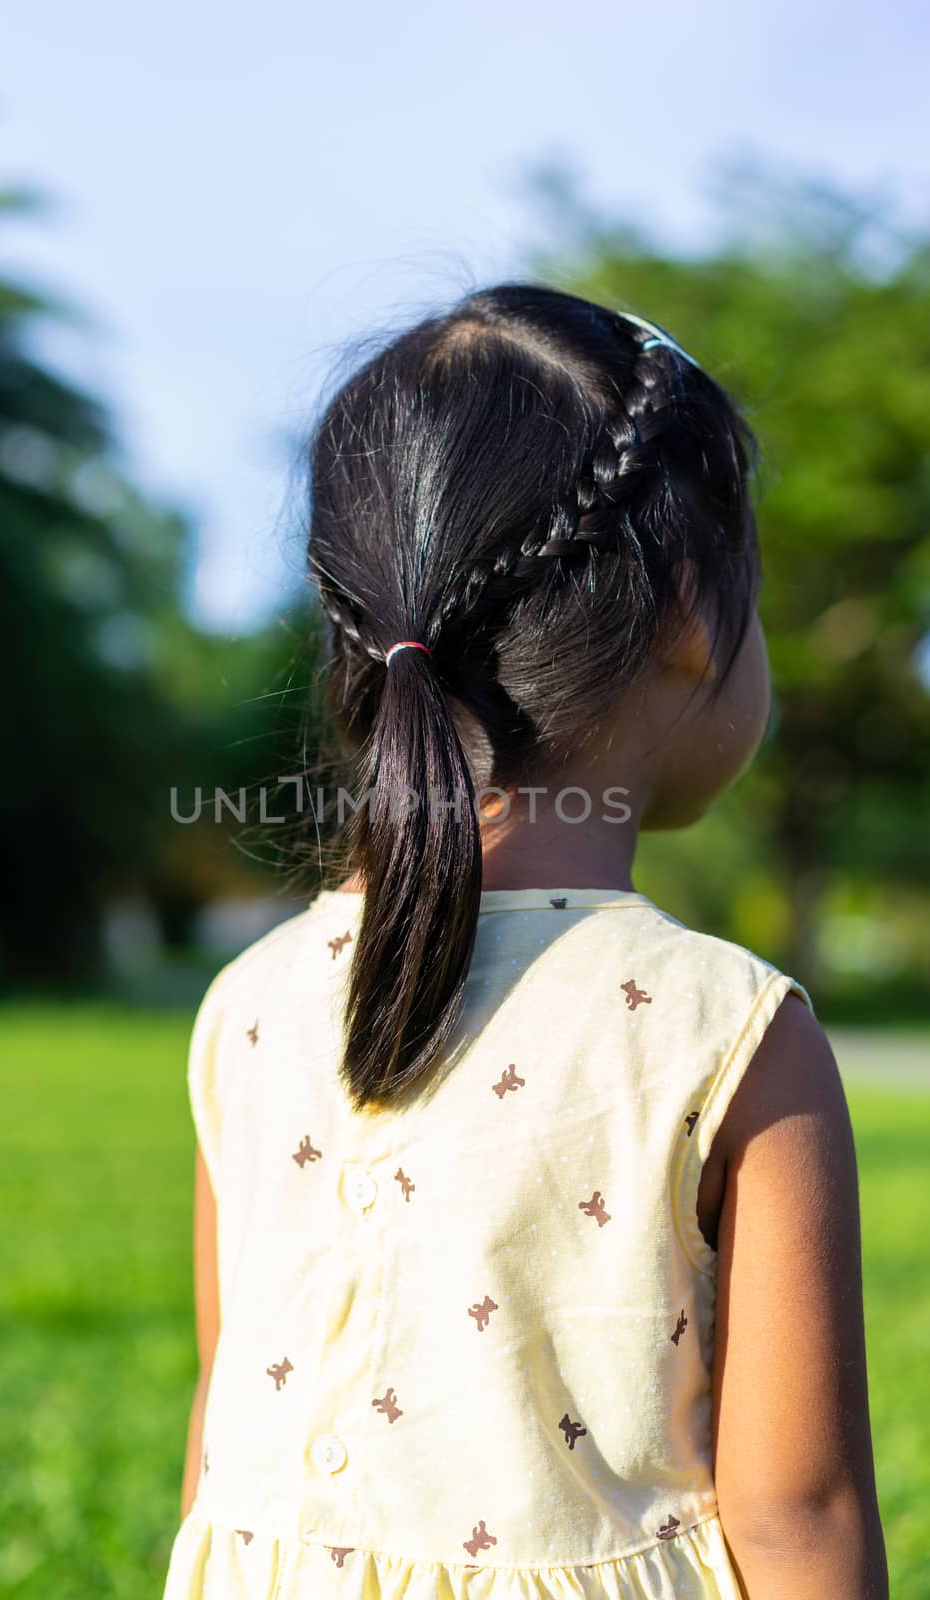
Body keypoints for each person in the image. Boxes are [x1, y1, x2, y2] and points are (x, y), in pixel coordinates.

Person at [160, 284, 887, 1599]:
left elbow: (225, 1446)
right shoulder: (727, 1029)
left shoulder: (249, 1006)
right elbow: (800, 1515)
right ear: (687, 611)